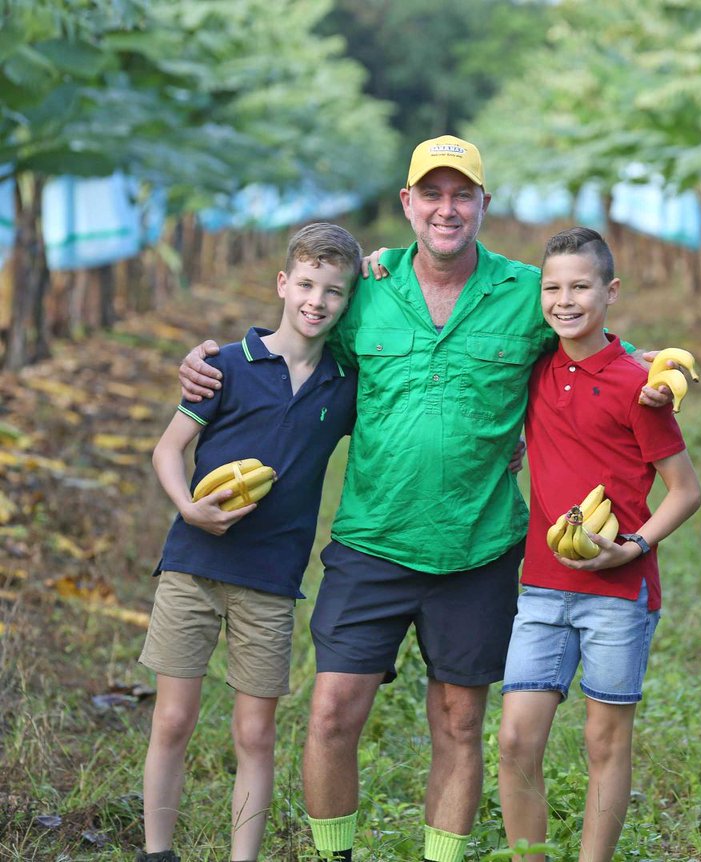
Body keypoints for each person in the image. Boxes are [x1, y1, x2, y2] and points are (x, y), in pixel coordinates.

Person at [177, 136, 673, 862]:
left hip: (477, 547)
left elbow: (596, 345)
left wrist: (662, 377)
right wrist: (209, 361)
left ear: (483, 205)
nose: (448, 209)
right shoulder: (366, 291)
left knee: (459, 722)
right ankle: (335, 855)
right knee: (332, 714)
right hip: (372, 539)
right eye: (431, 194)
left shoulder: (528, 293)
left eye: (462, 194)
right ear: (407, 204)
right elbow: (295, 342)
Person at [139, 223, 362, 862]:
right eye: (307, 285)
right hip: (193, 564)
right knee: (174, 720)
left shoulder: (343, 387)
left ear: (347, 303)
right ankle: (157, 851)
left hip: (271, 579)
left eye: (334, 292)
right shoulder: (226, 366)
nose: (317, 301)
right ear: (282, 284)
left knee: (255, 733)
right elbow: (168, 449)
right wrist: (189, 509)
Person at [497, 227, 701, 862]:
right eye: (552, 288)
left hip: (619, 591)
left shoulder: (640, 386)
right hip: (542, 585)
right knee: (514, 741)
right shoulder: (535, 367)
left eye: (581, 287)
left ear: (610, 292)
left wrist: (634, 546)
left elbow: (685, 491)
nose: (565, 300)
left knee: (605, 741)